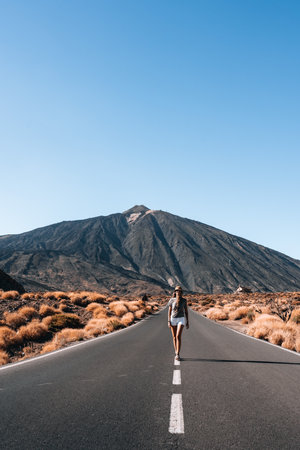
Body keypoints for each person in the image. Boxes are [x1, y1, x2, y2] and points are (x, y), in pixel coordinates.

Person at [168, 285, 189, 361]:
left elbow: (186, 311)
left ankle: (177, 354)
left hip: (181, 318)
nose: (178, 292)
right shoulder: (171, 300)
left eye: (179, 291)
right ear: (175, 292)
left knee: (178, 336)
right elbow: (169, 311)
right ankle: (176, 351)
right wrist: (168, 321)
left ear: (181, 292)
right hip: (173, 319)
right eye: (177, 291)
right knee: (174, 337)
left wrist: (187, 322)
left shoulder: (184, 300)